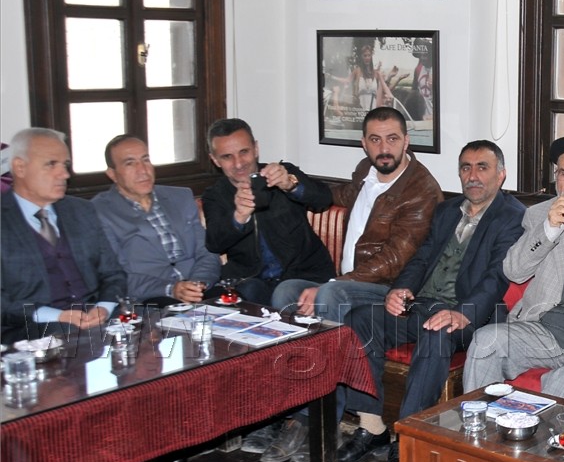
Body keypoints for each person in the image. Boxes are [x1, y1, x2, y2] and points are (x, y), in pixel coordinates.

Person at [342, 140, 525, 462]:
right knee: (359, 320)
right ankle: (372, 426)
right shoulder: (446, 210)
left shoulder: (512, 217)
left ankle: (408, 442)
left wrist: (462, 313)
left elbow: (497, 276)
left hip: (471, 317)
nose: (473, 176)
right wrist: (399, 289)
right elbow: (422, 258)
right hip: (422, 305)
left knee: (437, 331)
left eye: (482, 167)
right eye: (466, 168)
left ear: (501, 175)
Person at [462, 135, 564, 402]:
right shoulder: (539, 214)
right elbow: (514, 271)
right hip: (545, 328)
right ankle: (478, 425)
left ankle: (537, 431)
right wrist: (549, 228)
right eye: (563, 174)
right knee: (485, 342)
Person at [271, 107, 441, 322]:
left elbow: (393, 260)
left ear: (406, 141)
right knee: (286, 291)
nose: (384, 148)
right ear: (364, 144)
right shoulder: (366, 170)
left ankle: (329, 345)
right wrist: (292, 185)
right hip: (347, 282)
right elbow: (336, 195)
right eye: (375, 140)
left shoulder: (421, 191)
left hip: (390, 290)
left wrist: (337, 283)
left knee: (330, 295)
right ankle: (297, 345)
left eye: (392, 139)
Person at [1, 128, 126, 341]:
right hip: (31, 331)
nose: (65, 174)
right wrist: (58, 316)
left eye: (65, 165)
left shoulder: (81, 210)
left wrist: (104, 307)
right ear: (20, 167)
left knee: (161, 327)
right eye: (51, 164)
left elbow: (113, 274)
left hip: (100, 319)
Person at [202, 118, 335, 307]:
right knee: (224, 298)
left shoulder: (282, 173)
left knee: (282, 292)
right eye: (227, 157)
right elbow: (214, 243)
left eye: (244, 152)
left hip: (305, 276)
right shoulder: (215, 195)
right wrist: (239, 216)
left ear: (256, 149)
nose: (238, 164)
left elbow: (324, 199)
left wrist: (291, 185)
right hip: (251, 280)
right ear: (215, 160)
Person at [92, 135, 222, 305]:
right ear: (112, 174)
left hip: (200, 289)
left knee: (241, 303)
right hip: (150, 298)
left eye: (145, 160)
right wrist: (171, 289)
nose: (143, 170)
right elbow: (114, 275)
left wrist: (198, 284)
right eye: (130, 163)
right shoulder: (100, 212)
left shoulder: (180, 197)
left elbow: (207, 251)